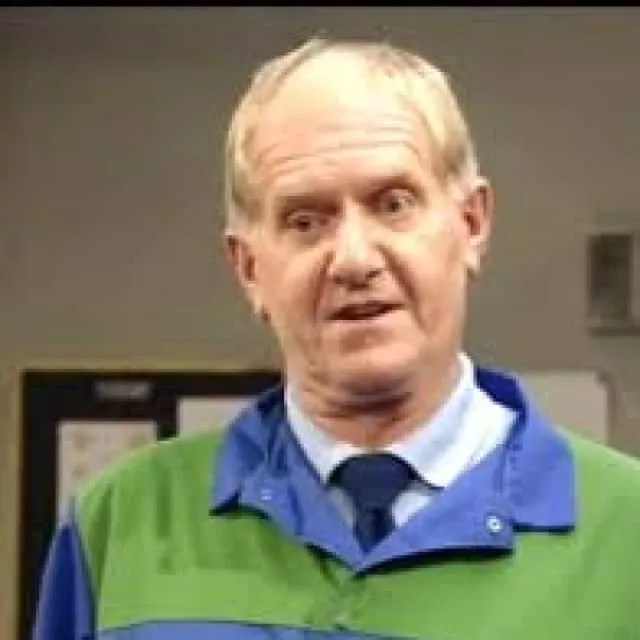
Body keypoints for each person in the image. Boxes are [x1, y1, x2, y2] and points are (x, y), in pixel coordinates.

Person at [33, 36, 640, 640]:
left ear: (472, 224)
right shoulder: (119, 524)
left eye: (393, 204)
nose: (353, 258)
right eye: (305, 221)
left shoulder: (624, 531)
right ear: (249, 268)